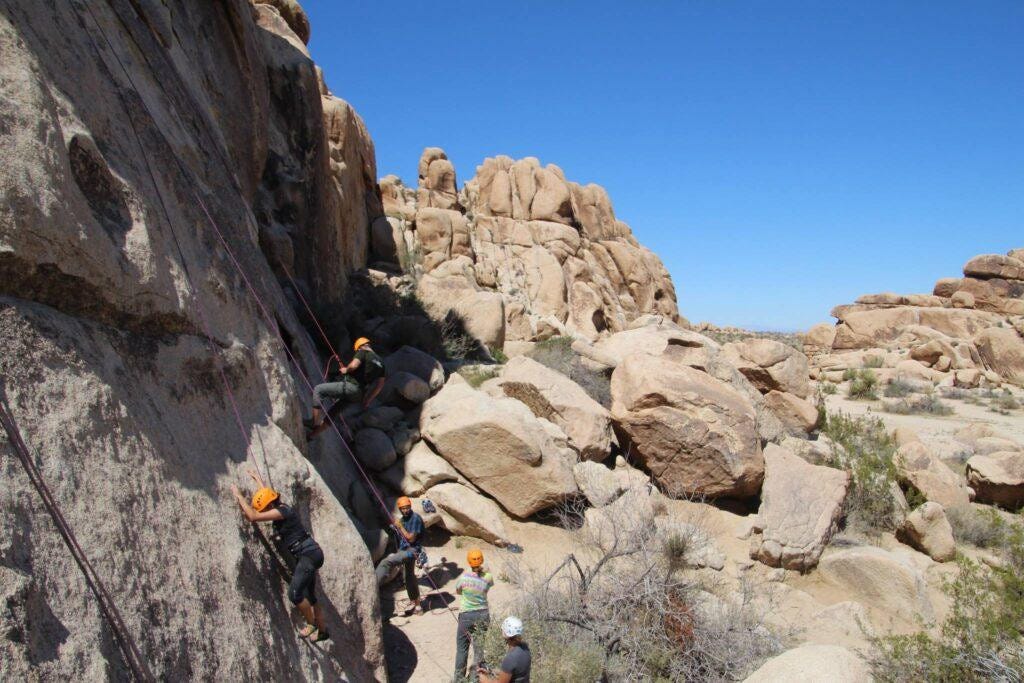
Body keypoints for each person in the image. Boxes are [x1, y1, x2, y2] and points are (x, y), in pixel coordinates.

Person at [231, 470, 329, 642]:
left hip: (307, 555)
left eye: (265, 508)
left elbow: (253, 516)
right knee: (311, 597)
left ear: (270, 506)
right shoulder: (280, 507)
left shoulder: (282, 512)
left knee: (294, 594)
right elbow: (267, 496)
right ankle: (323, 632)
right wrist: (258, 480)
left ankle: (311, 624)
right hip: (309, 553)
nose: (264, 511)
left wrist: (239, 496)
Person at [306, 337, 386, 438]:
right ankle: (311, 436)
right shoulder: (381, 363)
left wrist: (346, 370)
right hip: (359, 395)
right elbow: (380, 385)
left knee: (319, 389)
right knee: (333, 413)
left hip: (350, 387)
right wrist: (368, 400)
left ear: (360, 347)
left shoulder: (363, 352)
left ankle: (314, 422)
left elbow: (353, 366)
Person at [374, 496, 425, 614]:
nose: (406, 510)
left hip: (412, 550)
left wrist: (400, 526)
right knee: (409, 577)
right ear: (400, 509)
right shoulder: (403, 519)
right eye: (403, 508)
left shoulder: (415, 518)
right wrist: (396, 527)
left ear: (410, 507)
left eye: (407, 508)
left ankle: (373, 584)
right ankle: (418, 607)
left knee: (386, 562)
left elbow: (411, 538)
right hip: (405, 550)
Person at [453, 549, 493, 682]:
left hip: (466, 615)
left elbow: (458, 591)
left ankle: (459, 679)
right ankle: (475, 678)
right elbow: (488, 587)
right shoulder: (488, 577)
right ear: (482, 560)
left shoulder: (464, 578)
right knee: (479, 647)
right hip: (483, 614)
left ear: (469, 562)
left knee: (462, 648)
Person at [478, 616, 531, 683]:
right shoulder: (525, 648)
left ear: (505, 634)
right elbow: (513, 672)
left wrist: (484, 680)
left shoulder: (510, 658)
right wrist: (491, 671)